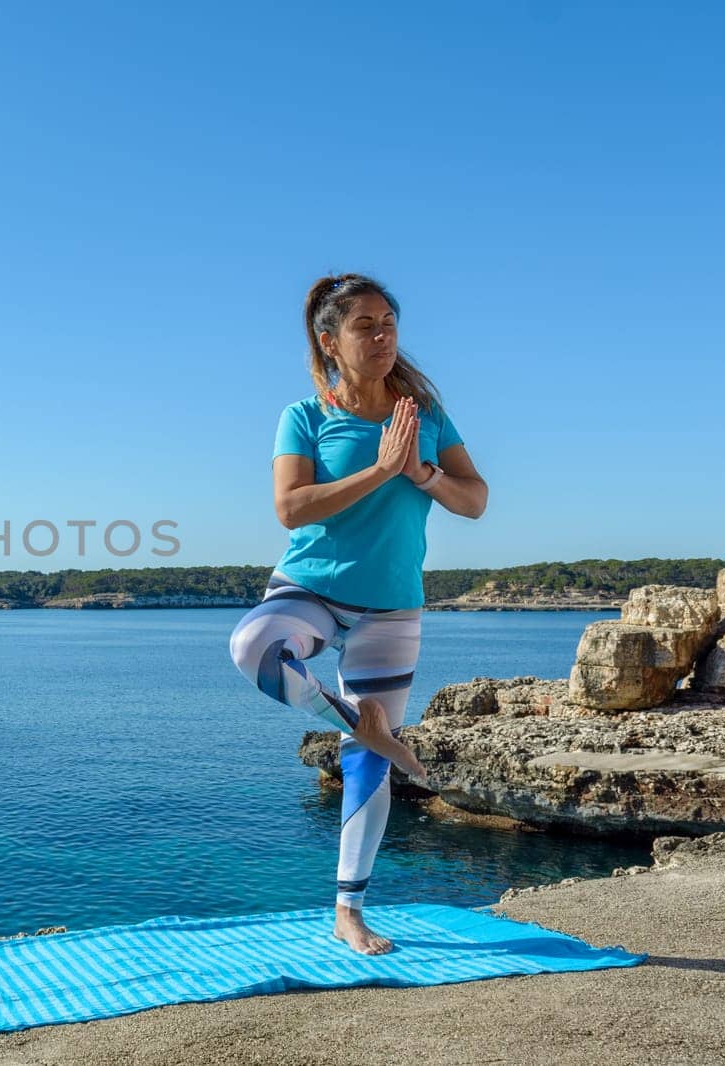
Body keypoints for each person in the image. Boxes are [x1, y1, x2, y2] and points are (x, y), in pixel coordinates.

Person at [228, 272, 488, 955]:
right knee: (254, 648)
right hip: (311, 588)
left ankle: (350, 913)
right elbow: (291, 507)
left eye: (389, 323)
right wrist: (378, 469)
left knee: (365, 769)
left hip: (392, 608)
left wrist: (420, 472)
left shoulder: (426, 414)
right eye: (365, 325)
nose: (381, 336)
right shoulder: (304, 416)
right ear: (329, 340)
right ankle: (364, 725)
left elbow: (476, 499)